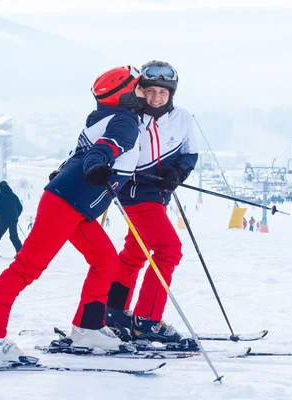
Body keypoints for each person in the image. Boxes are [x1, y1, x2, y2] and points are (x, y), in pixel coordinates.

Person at [0, 65, 145, 362]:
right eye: (138, 89)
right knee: (26, 268)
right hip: (67, 203)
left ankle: (88, 328)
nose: (142, 94)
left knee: (105, 260)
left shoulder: (104, 117)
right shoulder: (125, 121)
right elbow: (104, 150)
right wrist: (96, 164)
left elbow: (97, 156)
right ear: (125, 94)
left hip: (74, 205)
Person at [104, 61, 199, 344]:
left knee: (135, 253)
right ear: (140, 90)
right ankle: (147, 320)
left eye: (163, 92)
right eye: (150, 91)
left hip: (159, 195)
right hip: (134, 194)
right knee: (169, 250)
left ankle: (115, 312)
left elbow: (189, 154)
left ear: (171, 94)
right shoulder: (128, 118)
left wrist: (177, 172)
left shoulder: (182, 118)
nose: (156, 97)